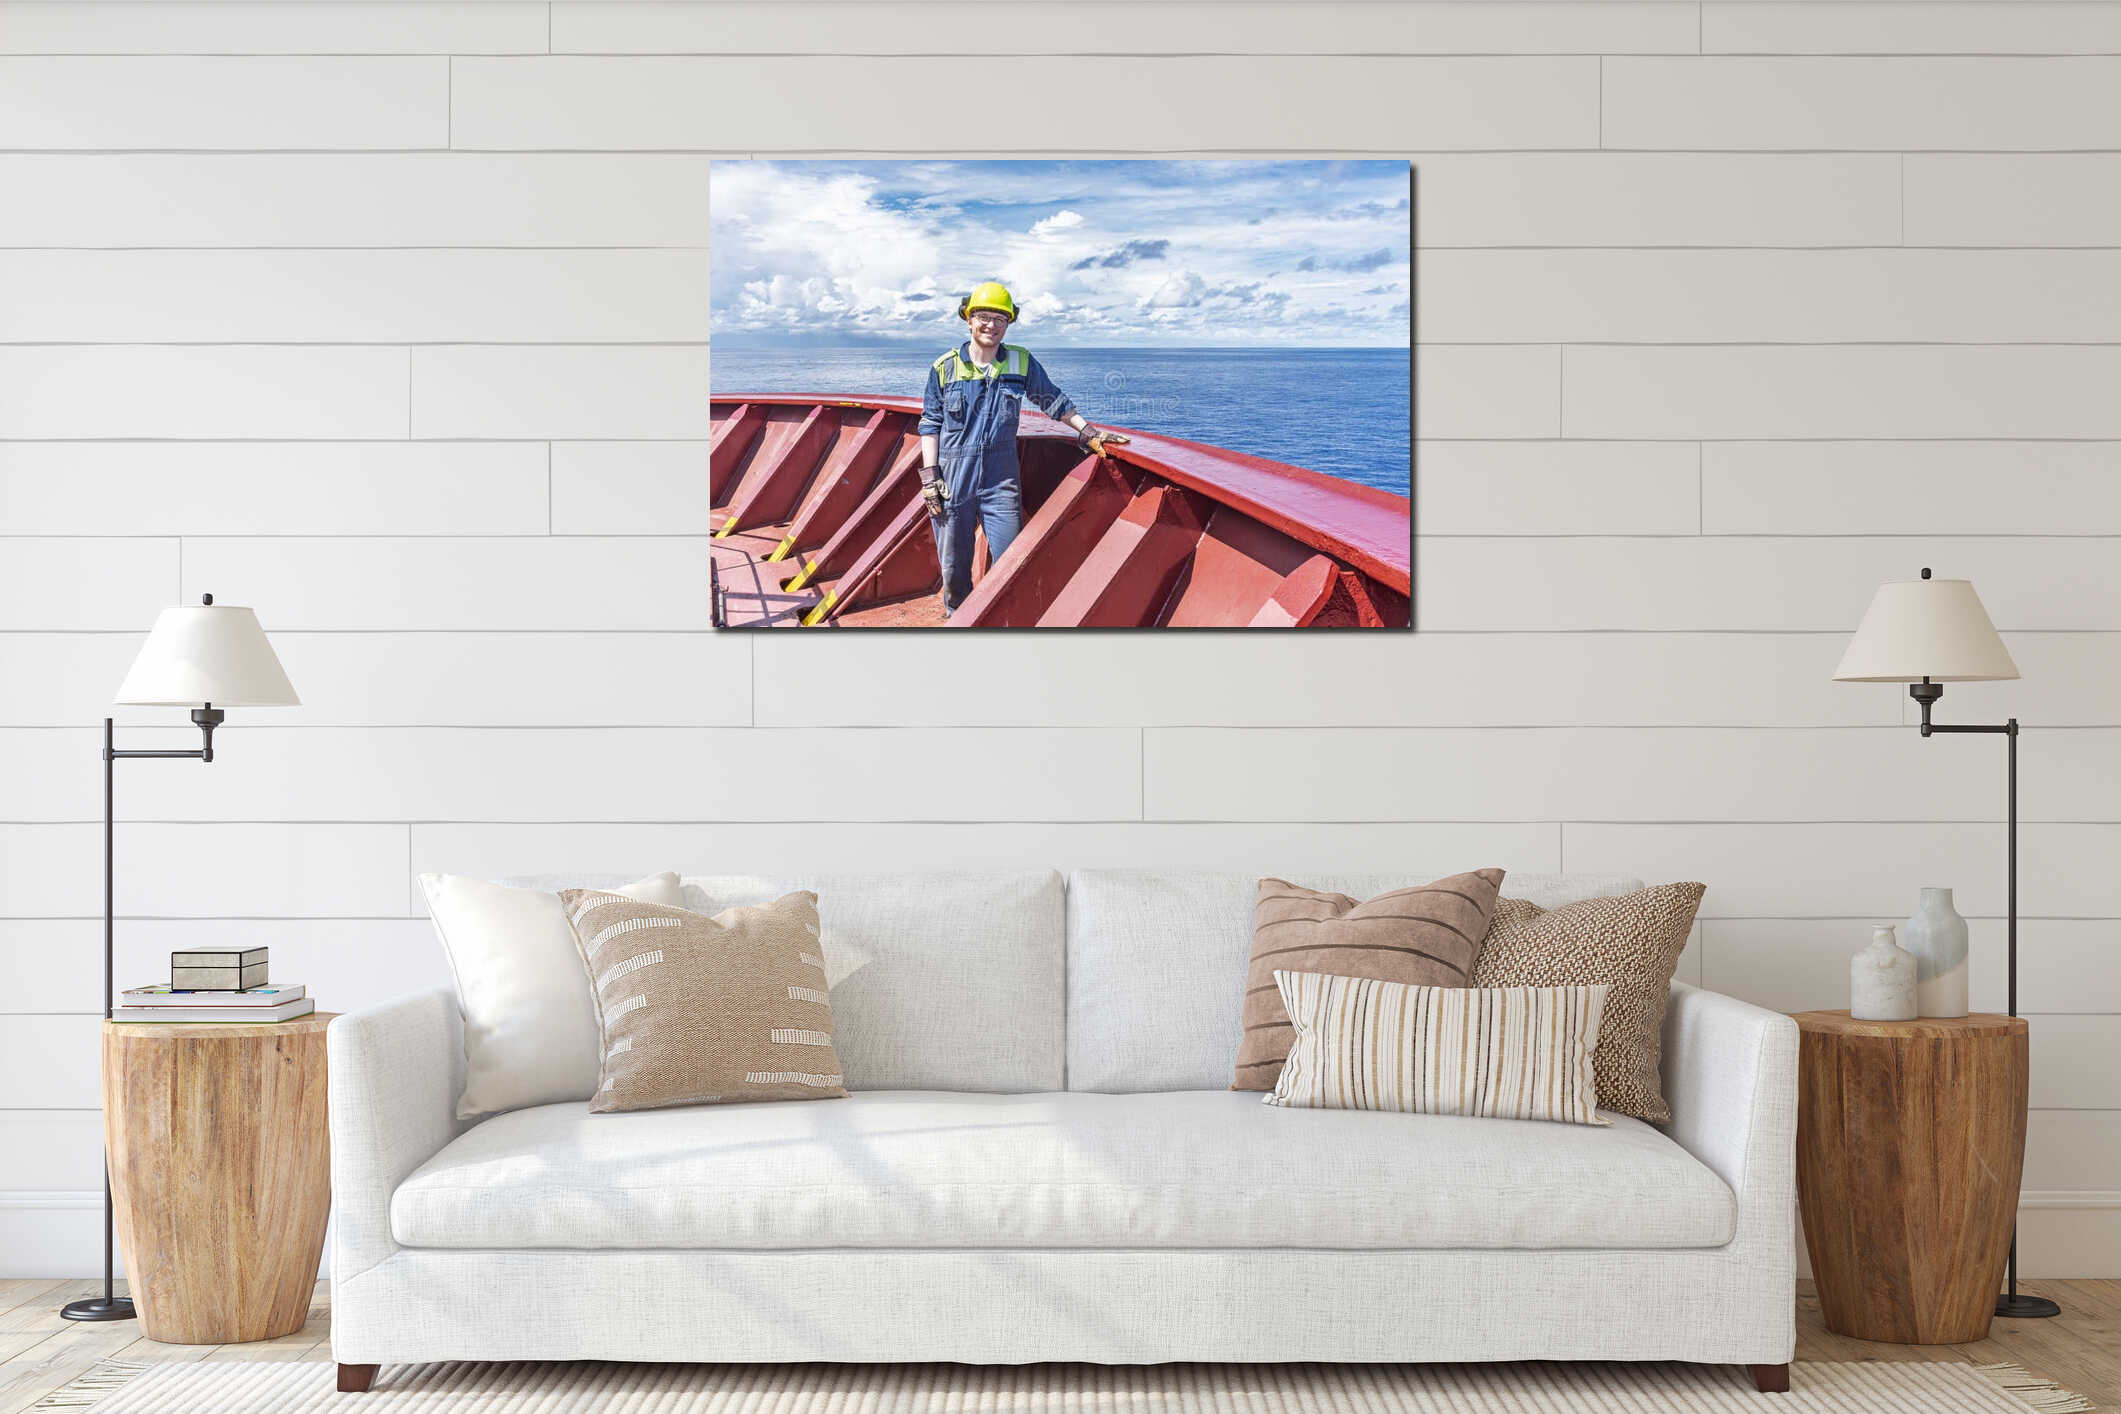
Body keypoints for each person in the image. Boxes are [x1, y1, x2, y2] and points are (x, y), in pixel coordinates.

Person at [916, 282, 1129, 615]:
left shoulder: (1020, 362)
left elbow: (1052, 399)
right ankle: (957, 618)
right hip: (953, 479)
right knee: (954, 566)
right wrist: (930, 478)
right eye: (983, 317)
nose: (992, 325)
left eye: (1001, 318)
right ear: (968, 320)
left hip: (1000, 480)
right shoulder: (944, 367)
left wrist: (1087, 431)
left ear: (1009, 323)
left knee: (1010, 558)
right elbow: (930, 424)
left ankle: (1002, 621)